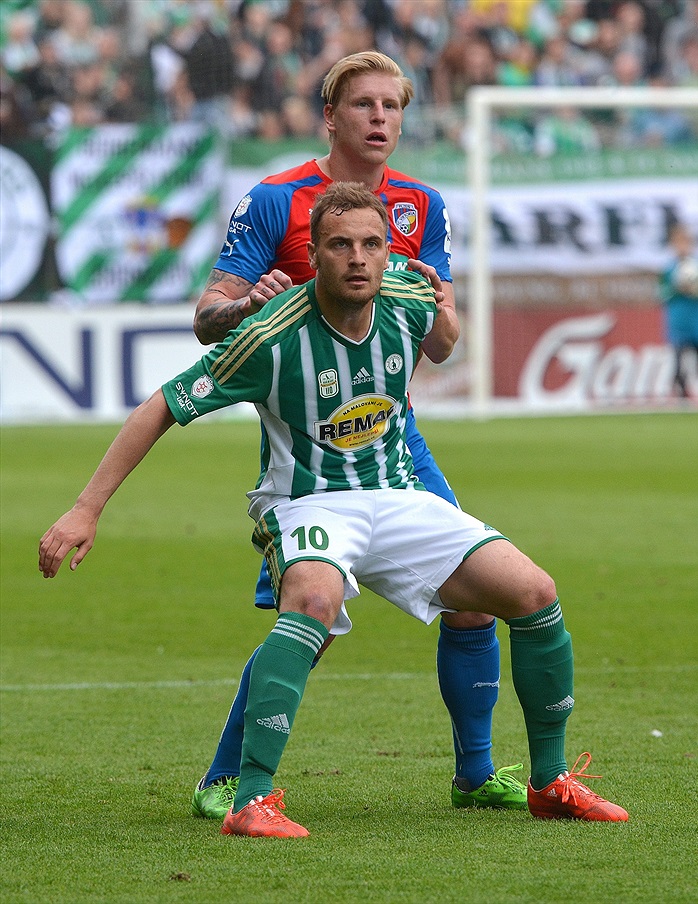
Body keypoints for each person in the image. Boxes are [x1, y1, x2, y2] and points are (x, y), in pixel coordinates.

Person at [39, 182, 629, 838]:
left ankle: (549, 782)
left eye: (372, 245)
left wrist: (446, 303)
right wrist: (84, 510)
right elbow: (164, 404)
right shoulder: (269, 333)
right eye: (340, 245)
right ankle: (251, 800)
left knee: (534, 591)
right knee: (313, 605)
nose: (358, 258)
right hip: (306, 501)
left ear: (388, 254)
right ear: (314, 255)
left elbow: (445, 340)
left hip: (398, 494)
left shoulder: (407, 297)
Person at [189, 50, 526, 820]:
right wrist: (244, 305)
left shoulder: (423, 205)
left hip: (395, 437)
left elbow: (441, 346)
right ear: (330, 116)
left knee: (476, 601)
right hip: (308, 441)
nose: (380, 118)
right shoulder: (276, 200)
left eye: (393, 106)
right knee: (312, 621)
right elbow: (208, 317)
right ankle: (223, 778)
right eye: (364, 104)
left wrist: (441, 307)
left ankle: (474, 775)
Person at [659, 222, 698, 399]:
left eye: (686, 242)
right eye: (679, 243)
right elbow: (662, 294)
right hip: (678, 319)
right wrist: (676, 289)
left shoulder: (696, 266)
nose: (683, 247)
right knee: (679, 358)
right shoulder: (669, 269)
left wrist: (694, 290)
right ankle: (681, 393)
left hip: (696, 318)